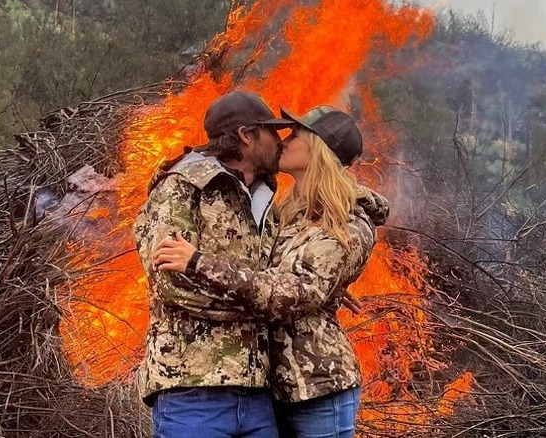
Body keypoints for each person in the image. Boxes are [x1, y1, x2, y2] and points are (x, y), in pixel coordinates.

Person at [153, 106, 389, 438]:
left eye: (295, 134)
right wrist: (324, 287)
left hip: (319, 386)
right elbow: (273, 273)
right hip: (274, 387)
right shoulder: (290, 212)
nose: (283, 141)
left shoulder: (349, 221)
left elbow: (293, 293)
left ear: (318, 150)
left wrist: (198, 263)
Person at [132, 90, 295, 438]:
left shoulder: (267, 200)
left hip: (257, 391)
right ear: (247, 136)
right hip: (192, 389)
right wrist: (262, 301)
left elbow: (282, 282)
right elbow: (173, 283)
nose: (280, 142)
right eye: (272, 132)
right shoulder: (182, 187)